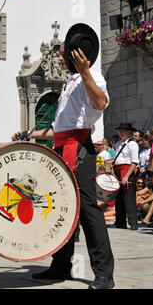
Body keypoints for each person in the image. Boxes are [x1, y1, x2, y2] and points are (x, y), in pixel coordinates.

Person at [13, 30, 114, 289]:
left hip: (79, 149)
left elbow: (101, 102)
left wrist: (85, 71)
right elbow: (59, 127)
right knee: (61, 208)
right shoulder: (70, 84)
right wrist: (29, 134)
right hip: (62, 146)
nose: (59, 59)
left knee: (89, 211)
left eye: (62, 54)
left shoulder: (92, 77)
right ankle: (60, 265)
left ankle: (104, 274)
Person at [113, 123, 139, 230]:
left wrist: (127, 176)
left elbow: (134, 162)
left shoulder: (133, 144)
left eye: (123, 131)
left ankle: (133, 222)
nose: (121, 133)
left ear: (129, 132)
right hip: (118, 171)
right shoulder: (119, 143)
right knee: (118, 198)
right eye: (119, 131)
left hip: (127, 171)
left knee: (129, 198)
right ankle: (120, 222)